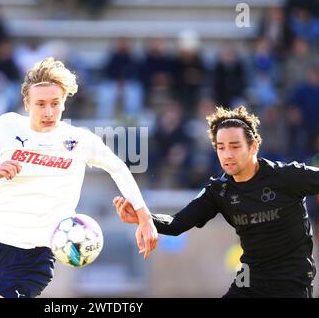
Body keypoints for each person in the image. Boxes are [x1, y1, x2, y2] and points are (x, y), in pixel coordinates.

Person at [0, 57, 157, 298]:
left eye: (55, 103)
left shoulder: (79, 140)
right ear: (26, 103)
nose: (48, 112)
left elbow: (118, 168)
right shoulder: (6, 127)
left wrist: (144, 216)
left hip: (37, 256)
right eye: (40, 104)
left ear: (64, 103)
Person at [114, 105, 319, 298]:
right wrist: (143, 217)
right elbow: (177, 224)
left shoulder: (286, 176)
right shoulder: (219, 191)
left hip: (291, 282)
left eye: (235, 146)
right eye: (221, 147)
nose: (227, 154)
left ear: (253, 146)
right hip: (249, 280)